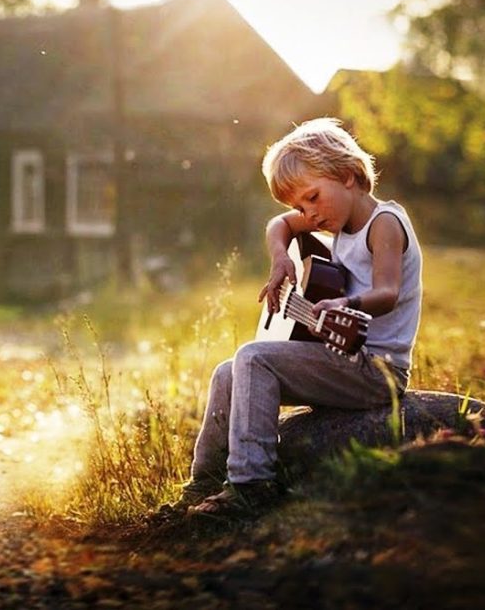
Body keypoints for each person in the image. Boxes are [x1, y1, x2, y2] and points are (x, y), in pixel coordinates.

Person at [176, 117, 424, 519]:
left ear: (347, 176)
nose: (308, 214)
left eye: (312, 197)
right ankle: (202, 483)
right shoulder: (337, 222)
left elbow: (387, 293)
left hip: (376, 370)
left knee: (253, 358)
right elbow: (278, 225)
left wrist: (348, 305)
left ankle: (251, 486)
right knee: (228, 372)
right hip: (344, 359)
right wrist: (279, 259)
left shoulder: (385, 225)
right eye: (299, 207)